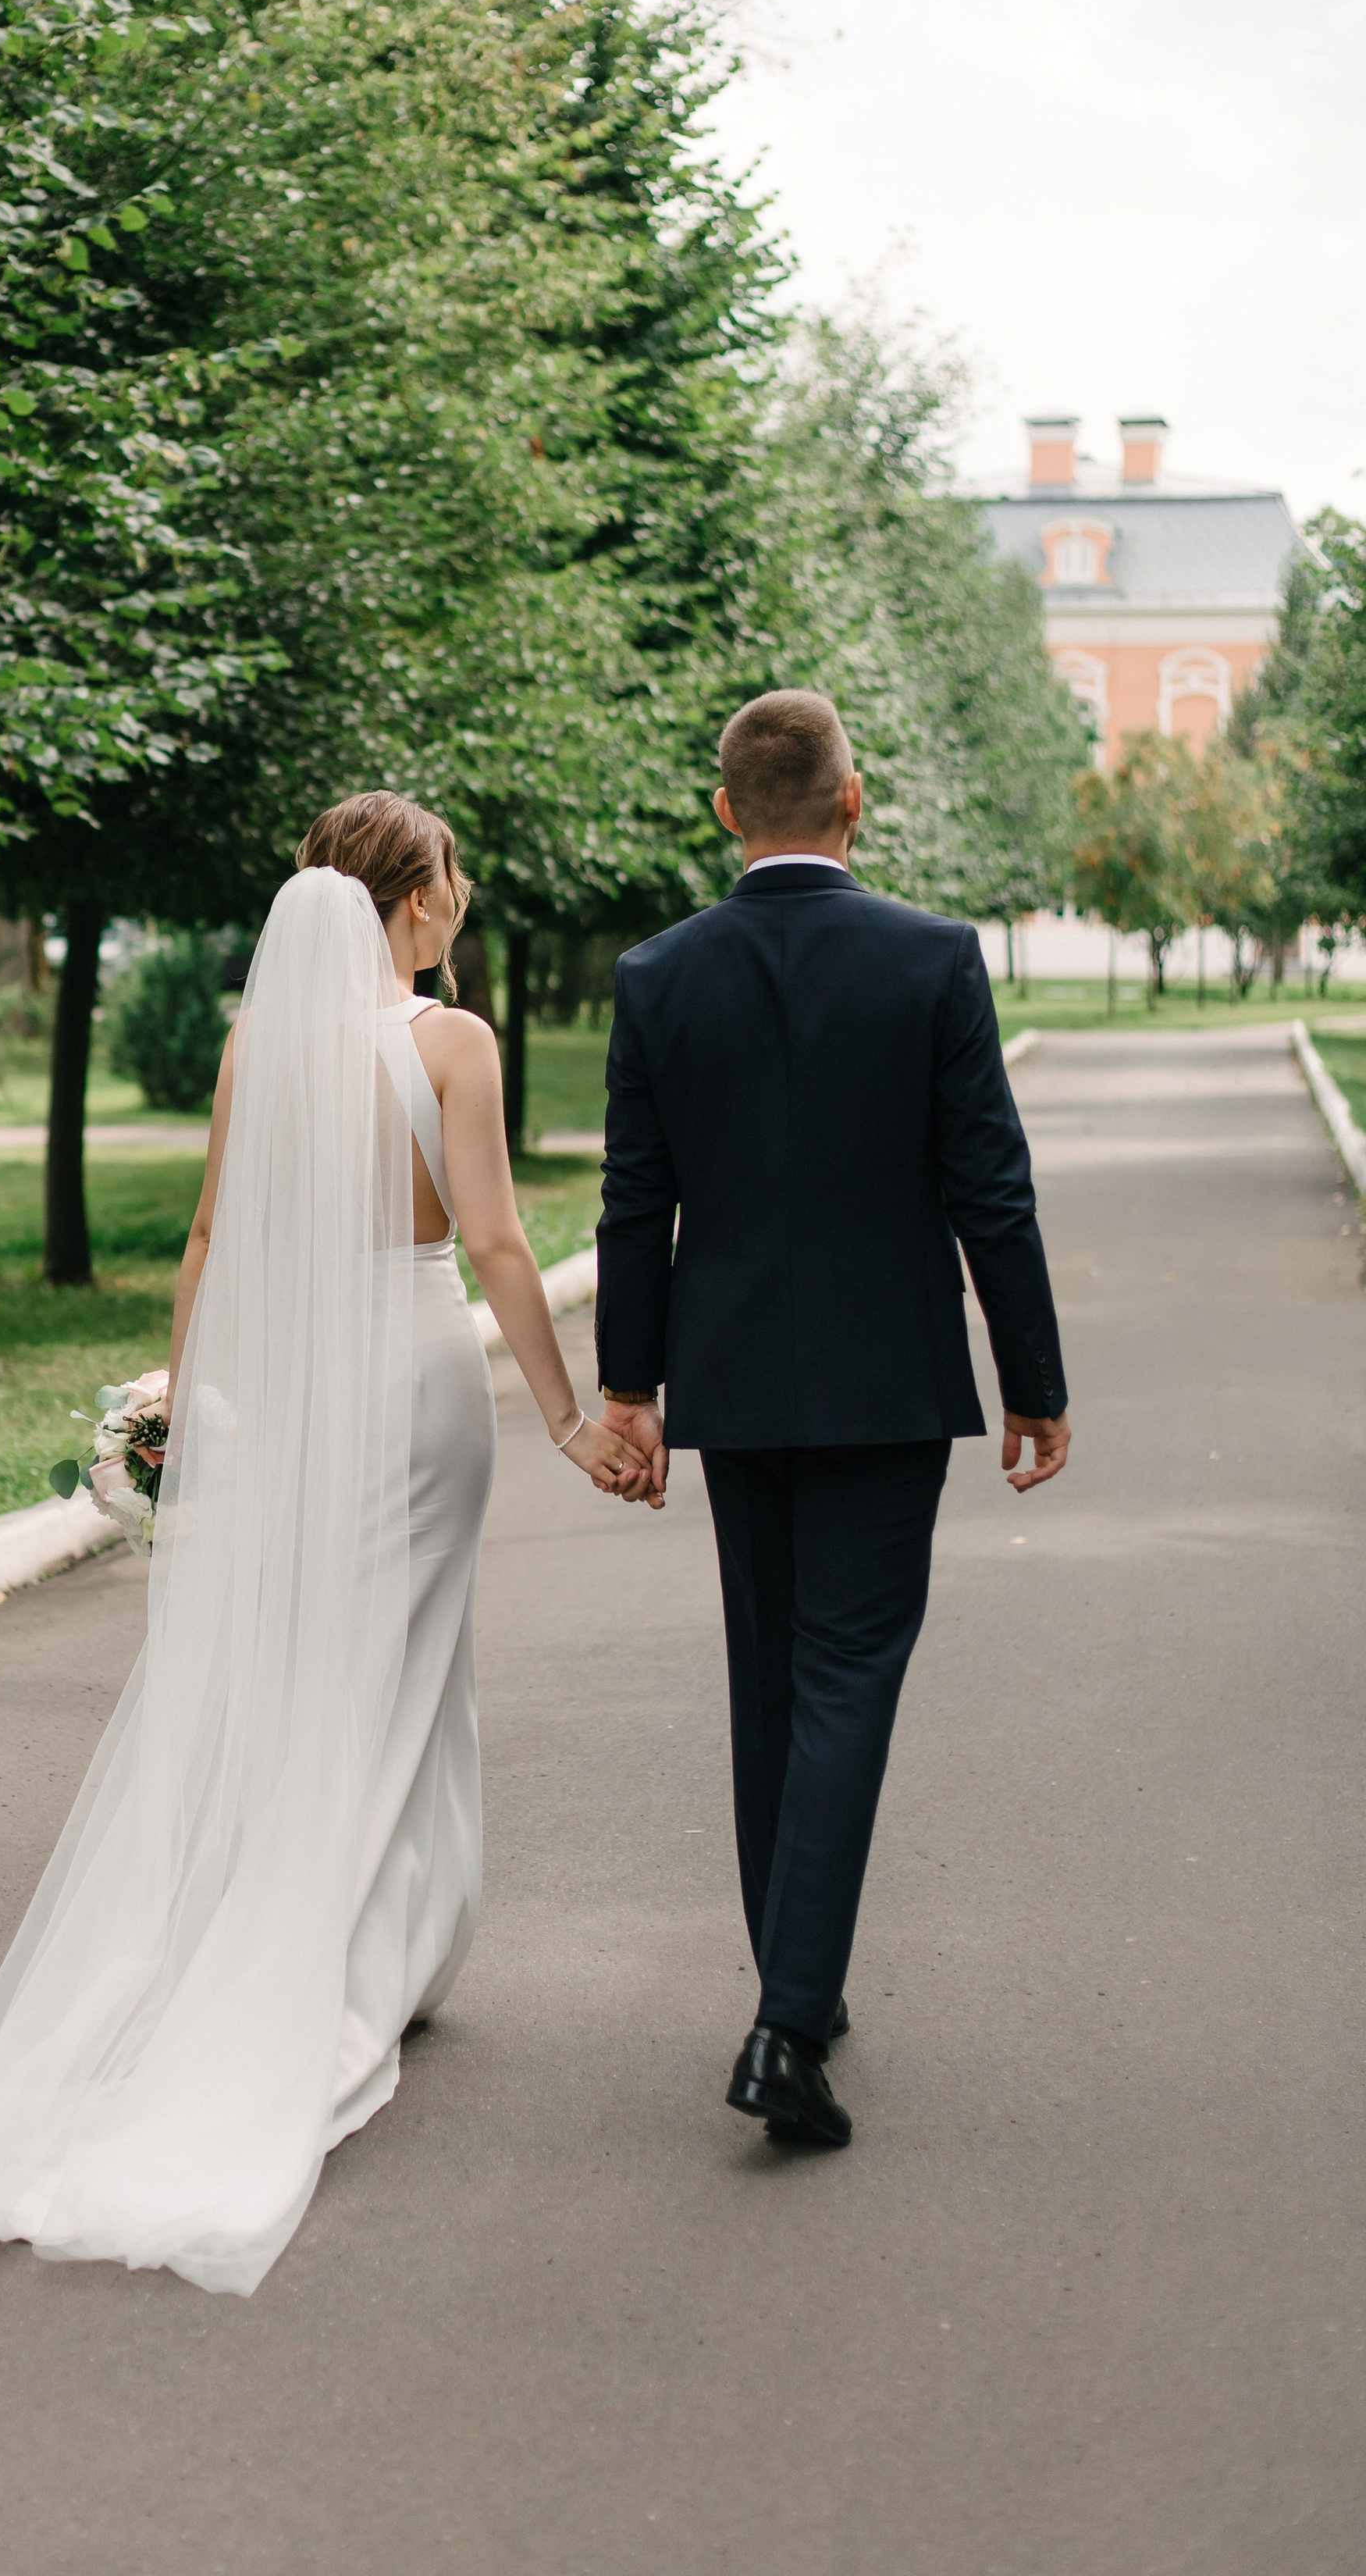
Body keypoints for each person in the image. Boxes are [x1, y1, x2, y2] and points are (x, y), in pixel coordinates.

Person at [0, 792, 640, 2303]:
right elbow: (499, 1244)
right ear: (412, 901)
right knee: (405, 1671)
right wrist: (572, 1418)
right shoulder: (452, 1044)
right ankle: (357, 1966)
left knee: (313, 1670)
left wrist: (187, 1403)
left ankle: (369, 1948)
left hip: (296, 1391)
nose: (463, 899)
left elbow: (203, 1238)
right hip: (413, 1381)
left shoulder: (264, 1048)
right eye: (451, 880)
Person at [594, 690, 1071, 2149]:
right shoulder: (933, 960)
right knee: (849, 1673)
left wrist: (631, 1388)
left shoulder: (658, 974)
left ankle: (798, 1971)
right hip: (882, 1390)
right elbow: (990, 1182)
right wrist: (1033, 1383)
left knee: (771, 1679)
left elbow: (635, 1201)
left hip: (735, 1388)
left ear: (727, 808)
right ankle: (789, 2023)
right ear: (852, 805)